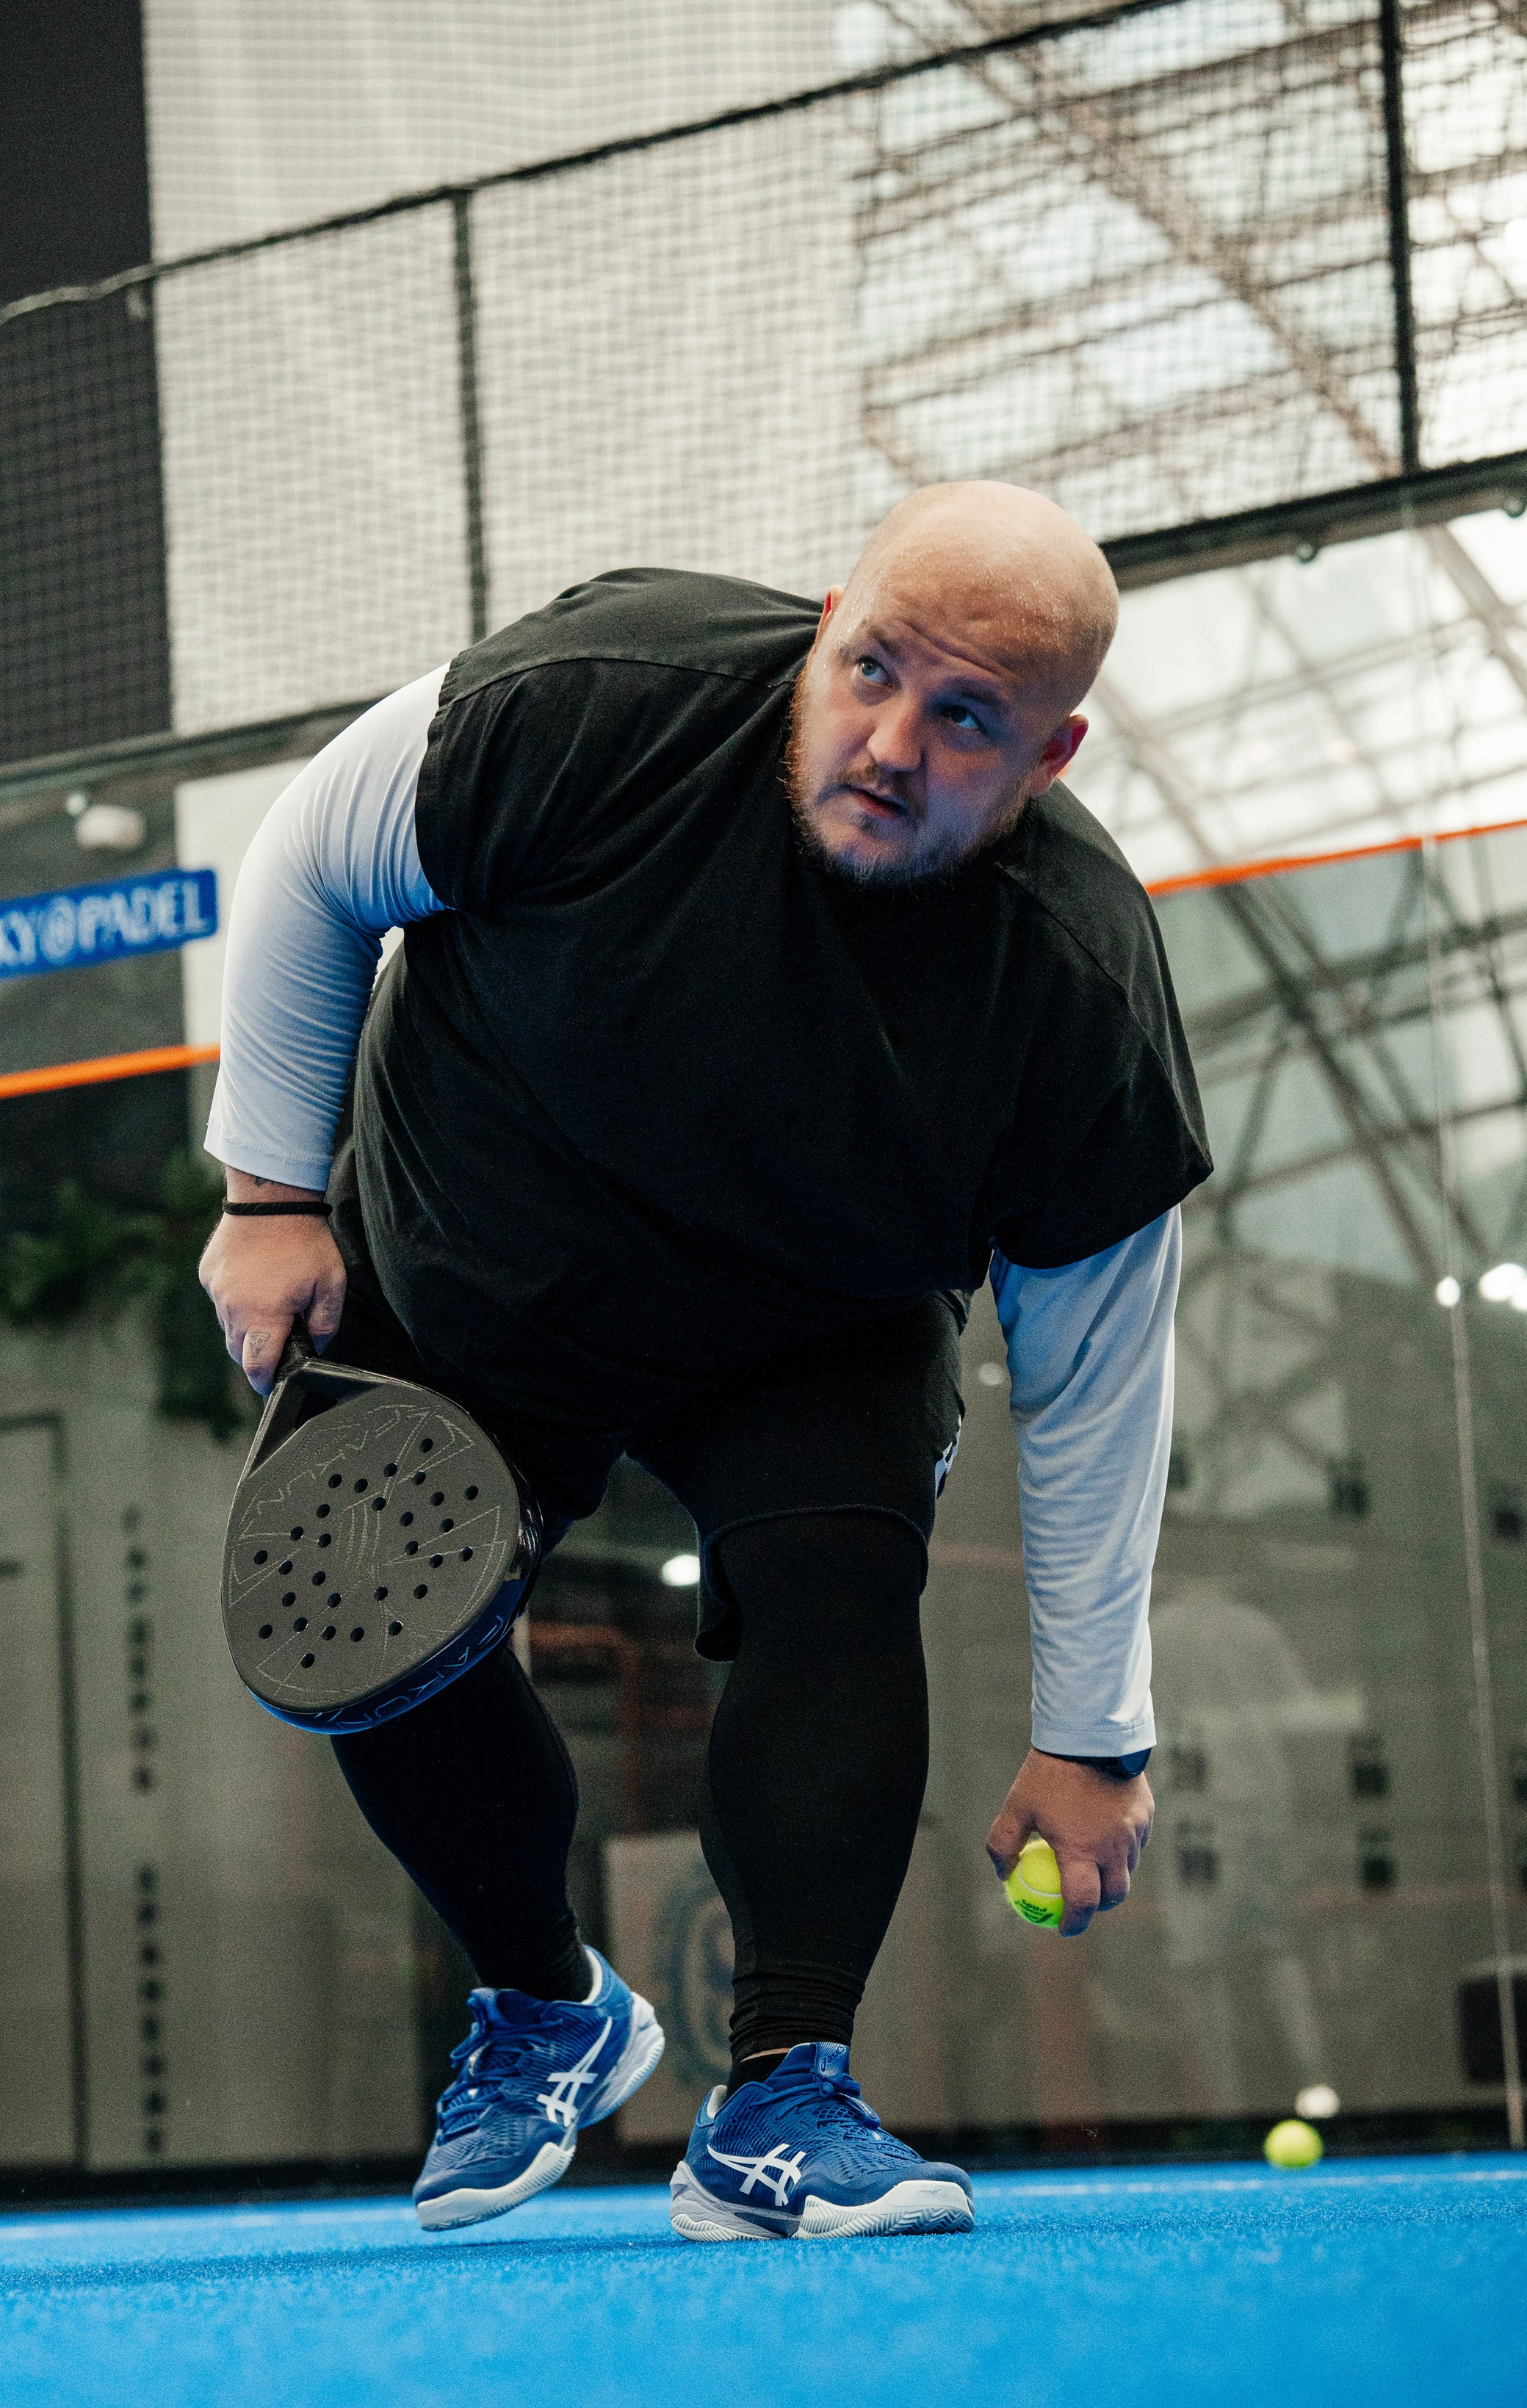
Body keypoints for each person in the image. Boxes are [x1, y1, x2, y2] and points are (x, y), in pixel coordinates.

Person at [199, 480, 1210, 2241]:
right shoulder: (591, 703)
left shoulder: (1070, 989)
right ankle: (546, 2006)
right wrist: (270, 1192)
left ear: (1044, 759)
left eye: (964, 717)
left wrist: (1091, 1738)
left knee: (835, 1582)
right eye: (872, 669)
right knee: (352, 1612)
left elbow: (1093, 1387)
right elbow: (313, 859)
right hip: (477, 1257)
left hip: (805, 1324)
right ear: (824, 623)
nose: (891, 741)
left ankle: (782, 2100)